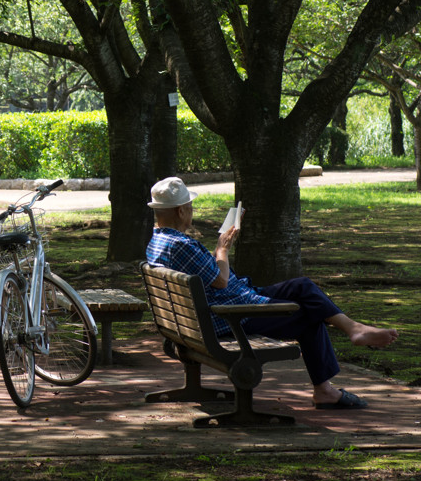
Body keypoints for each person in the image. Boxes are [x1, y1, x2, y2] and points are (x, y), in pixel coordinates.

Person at [145, 176, 398, 410]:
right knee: (311, 316)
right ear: (181, 210)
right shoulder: (181, 245)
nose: (192, 210)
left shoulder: (159, 241)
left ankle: (353, 328)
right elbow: (221, 282)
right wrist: (222, 249)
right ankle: (326, 390)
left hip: (212, 313)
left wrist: (220, 250)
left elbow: (207, 275)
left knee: (302, 286)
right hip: (232, 315)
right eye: (190, 206)